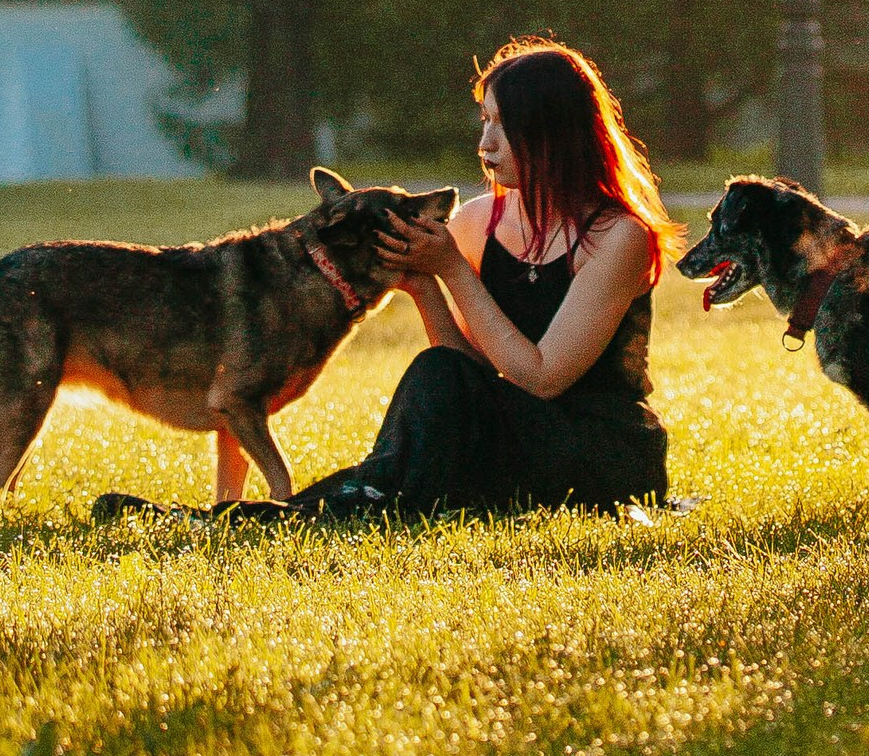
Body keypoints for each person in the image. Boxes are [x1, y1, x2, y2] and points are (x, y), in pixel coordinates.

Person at [254, 38, 675, 525]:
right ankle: (355, 498)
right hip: (519, 435)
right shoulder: (480, 221)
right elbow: (464, 370)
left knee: (426, 433)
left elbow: (543, 378)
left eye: (504, 126)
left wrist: (453, 269)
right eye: (485, 122)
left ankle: (363, 497)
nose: (486, 145)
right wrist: (424, 285)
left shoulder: (618, 237)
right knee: (436, 368)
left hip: (599, 449)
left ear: (551, 132)